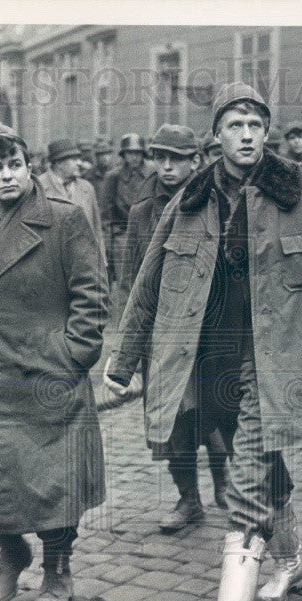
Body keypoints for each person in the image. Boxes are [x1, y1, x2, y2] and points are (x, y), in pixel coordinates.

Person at [104, 82, 302, 601]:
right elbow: (150, 285)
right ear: (217, 134)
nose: (245, 135)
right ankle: (287, 559)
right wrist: (123, 362)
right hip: (206, 359)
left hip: (274, 358)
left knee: (245, 475)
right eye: (234, 125)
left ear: (267, 132)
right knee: (260, 464)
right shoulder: (188, 199)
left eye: (255, 125)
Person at [0, 122, 108, 601]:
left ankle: (58, 568)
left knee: (52, 478)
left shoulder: (63, 219)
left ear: (28, 165)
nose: (7, 176)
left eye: (14, 164)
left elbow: (91, 294)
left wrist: (73, 354)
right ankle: (12, 550)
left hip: (45, 367)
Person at [118, 123, 231, 532]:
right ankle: (188, 499)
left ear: (195, 161)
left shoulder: (217, 202)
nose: (167, 167)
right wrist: (132, 343)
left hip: (210, 331)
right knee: (173, 420)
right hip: (163, 335)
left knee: (216, 408)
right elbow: (134, 280)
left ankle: (225, 480)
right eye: (160, 158)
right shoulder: (142, 212)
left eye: (177, 159)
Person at [37, 139, 108, 269]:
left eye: (79, 159)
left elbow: (96, 228)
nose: (79, 163)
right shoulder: (38, 187)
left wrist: (101, 260)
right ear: (58, 162)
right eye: (74, 159)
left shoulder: (86, 187)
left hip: (84, 261)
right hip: (51, 264)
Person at [103, 134, 153, 291]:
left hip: (150, 234)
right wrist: (108, 242)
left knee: (149, 282)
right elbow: (105, 212)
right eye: (130, 153)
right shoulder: (113, 177)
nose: (134, 157)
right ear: (123, 155)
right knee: (126, 284)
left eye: (137, 153)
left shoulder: (153, 173)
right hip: (122, 236)